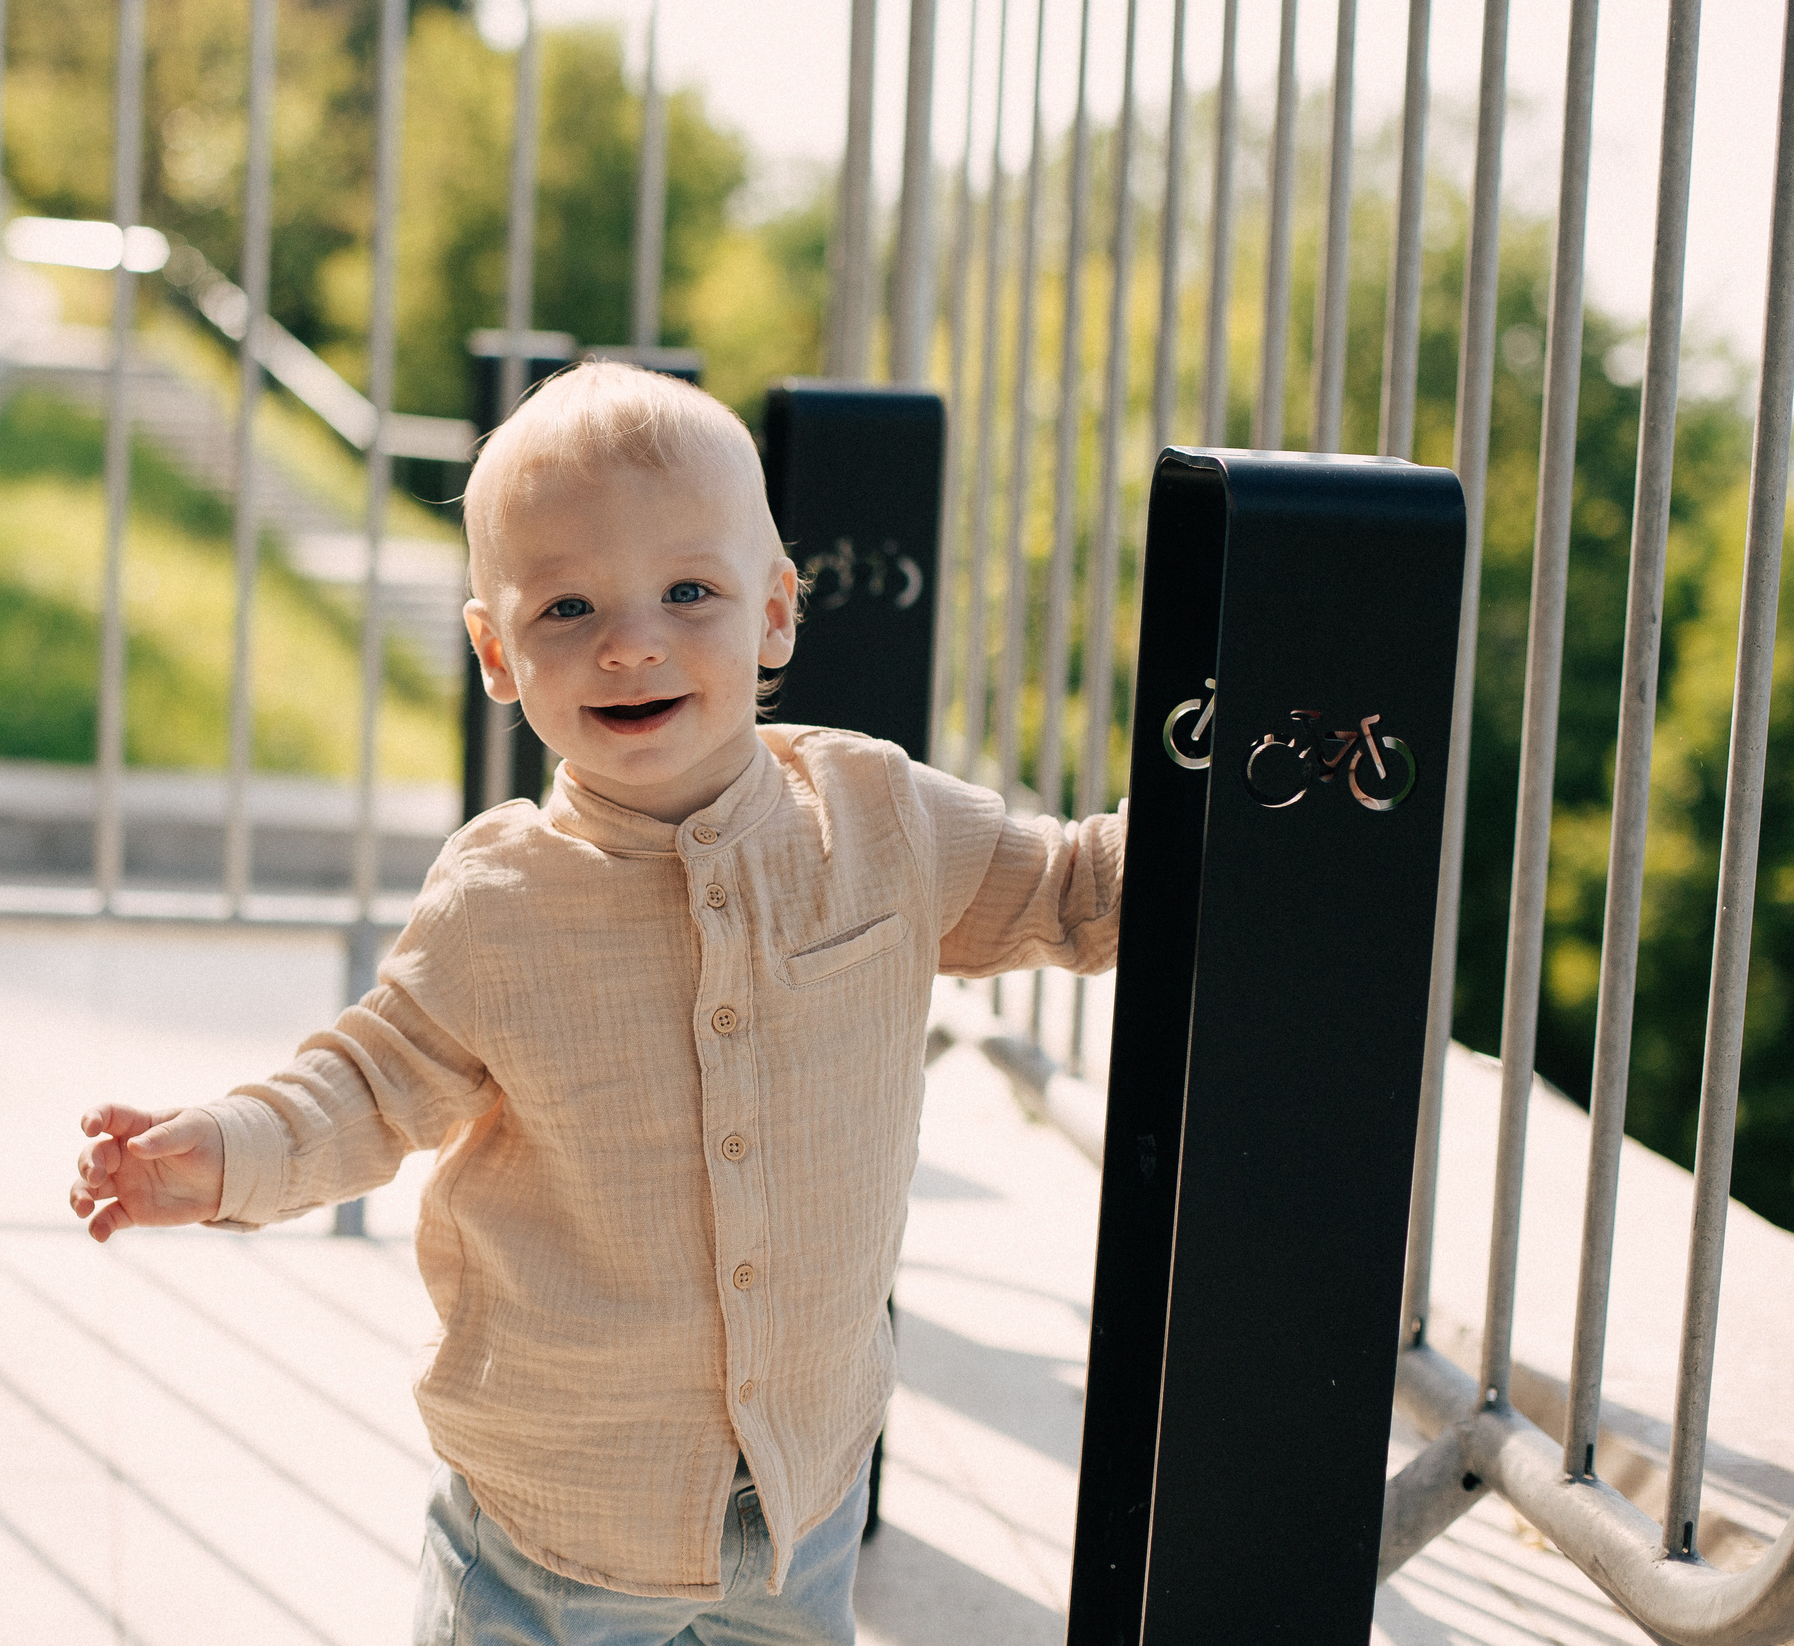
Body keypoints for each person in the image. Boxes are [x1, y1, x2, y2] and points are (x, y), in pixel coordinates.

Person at [69, 361, 1124, 1645]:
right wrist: (232, 1151)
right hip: (556, 1521)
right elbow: (366, 1083)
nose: (631, 642)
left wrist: (1247, 820)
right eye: (567, 607)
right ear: (496, 653)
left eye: (689, 592)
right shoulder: (498, 901)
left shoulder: (879, 821)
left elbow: (1073, 889)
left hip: (803, 1494)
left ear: (775, 613)